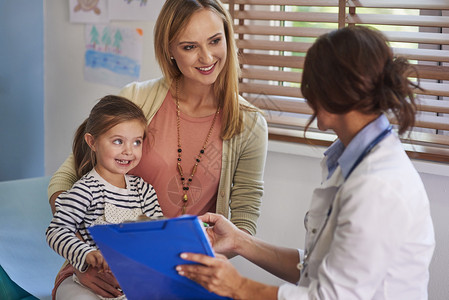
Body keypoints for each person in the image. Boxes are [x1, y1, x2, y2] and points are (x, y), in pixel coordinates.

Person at [175, 26, 436, 300]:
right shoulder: (353, 161)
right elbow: (316, 268)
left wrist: (239, 286)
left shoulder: (378, 187)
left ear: (331, 90)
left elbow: (332, 296)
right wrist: (240, 242)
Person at [47, 0, 268, 298]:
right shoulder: (137, 98)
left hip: (182, 275)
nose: (206, 57)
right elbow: (65, 180)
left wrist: (183, 264)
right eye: (189, 46)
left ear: (228, 37)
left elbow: (242, 224)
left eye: (215, 41)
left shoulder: (250, 125)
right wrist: (83, 262)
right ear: (170, 51)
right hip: (101, 271)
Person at [46, 95, 163, 300]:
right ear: (92, 142)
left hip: (131, 285)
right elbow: (56, 231)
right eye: (118, 141)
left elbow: (159, 235)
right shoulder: (85, 190)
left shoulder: (145, 191)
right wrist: (85, 254)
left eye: (136, 142)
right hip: (90, 286)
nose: (129, 151)